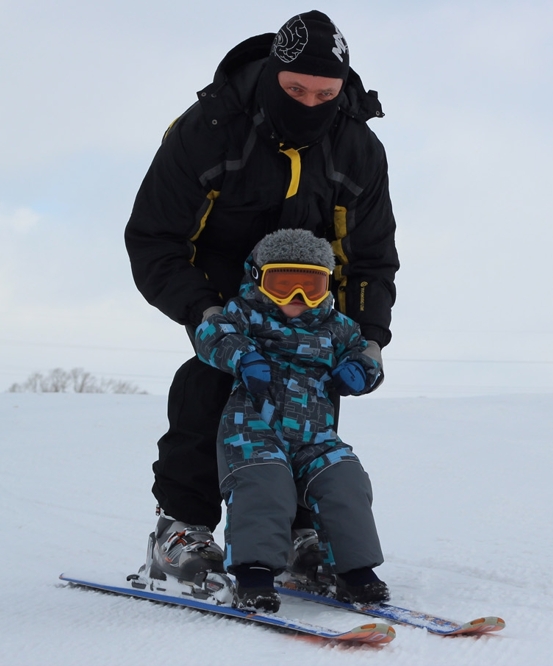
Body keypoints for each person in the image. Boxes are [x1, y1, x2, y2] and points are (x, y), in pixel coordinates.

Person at [124, 10, 398, 589]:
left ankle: (300, 530)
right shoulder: (208, 128)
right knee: (211, 382)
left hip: (309, 280)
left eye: (325, 93)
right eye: (295, 89)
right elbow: (155, 238)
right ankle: (181, 529)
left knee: (312, 381)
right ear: (273, 74)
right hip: (219, 282)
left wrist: (366, 341)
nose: (309, 103)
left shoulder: (358, 150)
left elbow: (369, 258)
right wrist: (206, 314)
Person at [194, 228, 386, 611]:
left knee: (345, 479)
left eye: (310, 287)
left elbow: (366, 353)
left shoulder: (338, 328)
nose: (296, 299)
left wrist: (362, 371)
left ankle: (355, 572)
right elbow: (213, 333)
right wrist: (242, 357)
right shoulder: (244, 314)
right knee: (263, 485)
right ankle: (255, 576)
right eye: (282, 285)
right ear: (259, 280)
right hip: (254, 428)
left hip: (316, 434)